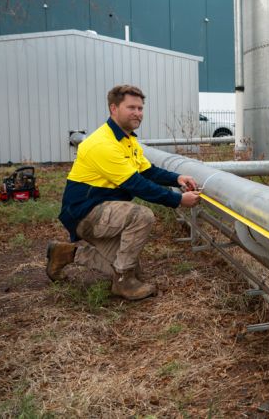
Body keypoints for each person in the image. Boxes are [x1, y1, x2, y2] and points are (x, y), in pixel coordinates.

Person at [48, 84, 201, 300]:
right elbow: (137, 185)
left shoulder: (127, 139)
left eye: (140, 108)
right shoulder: (102, 143)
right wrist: (178, 200)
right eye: (131, 107)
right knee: (142, 216)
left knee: (130, 267)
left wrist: (177, 178)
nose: (137, 113)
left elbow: (147, 171)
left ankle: (65, 254)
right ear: (113, 108)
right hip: (85, 212)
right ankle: (123, 283)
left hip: (103, 209)